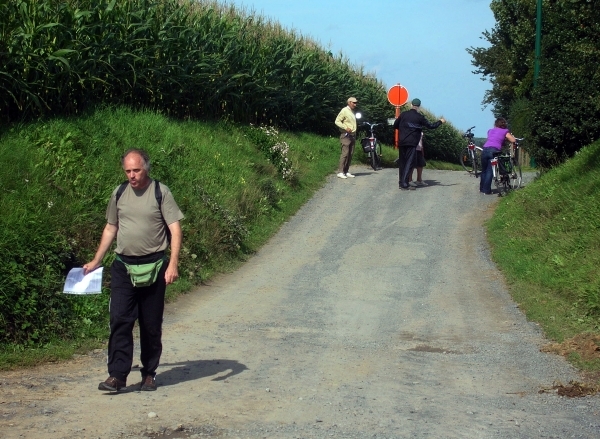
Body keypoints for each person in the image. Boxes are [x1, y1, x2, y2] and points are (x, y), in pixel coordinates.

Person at [83, 149, 184, 392]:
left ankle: (149, 373)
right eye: (127, 171)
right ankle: (117, 376)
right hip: (123, 267)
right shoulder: (119, 193)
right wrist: (96, 260)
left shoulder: (161, 192)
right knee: (120, 319)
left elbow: (175, 229)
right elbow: (110, 228)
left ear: (146, 168)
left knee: (150, 324)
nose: (132, 175)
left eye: (136, 170)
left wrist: (173, 264)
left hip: (154, 266)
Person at [393, 98, 445, 190]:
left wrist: (404, 129)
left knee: (402, 163)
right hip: (412, 143)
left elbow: (395, 125)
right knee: (409, 162)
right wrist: (440, 121)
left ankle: (401, 182)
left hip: (402, 142)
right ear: (419, 107)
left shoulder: (403, 115)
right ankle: (405, 184)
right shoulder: (420, 117)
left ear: (411, 105)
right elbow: (431, 126)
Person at [480, 117, 517, 195]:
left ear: (496, 124)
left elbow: (493, 138)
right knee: (490, 171)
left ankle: (482, 188)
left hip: (485, 149)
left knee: (484, 170)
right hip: (494, 151)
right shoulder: (505, 131)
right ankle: (486, 190)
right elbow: (513, 140)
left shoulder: (490, 131)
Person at [334, 97, 358, 179]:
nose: (355, 104)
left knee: (350, 154)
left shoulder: (352, 111)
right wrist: (345, 127)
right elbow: (337, 121)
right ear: (349, 102)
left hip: (352, 135)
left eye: (355, 103)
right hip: (345, 135)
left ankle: (346, 171)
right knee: (345, 153)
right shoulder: (344, 110)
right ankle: (340, 172)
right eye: (354, 103)